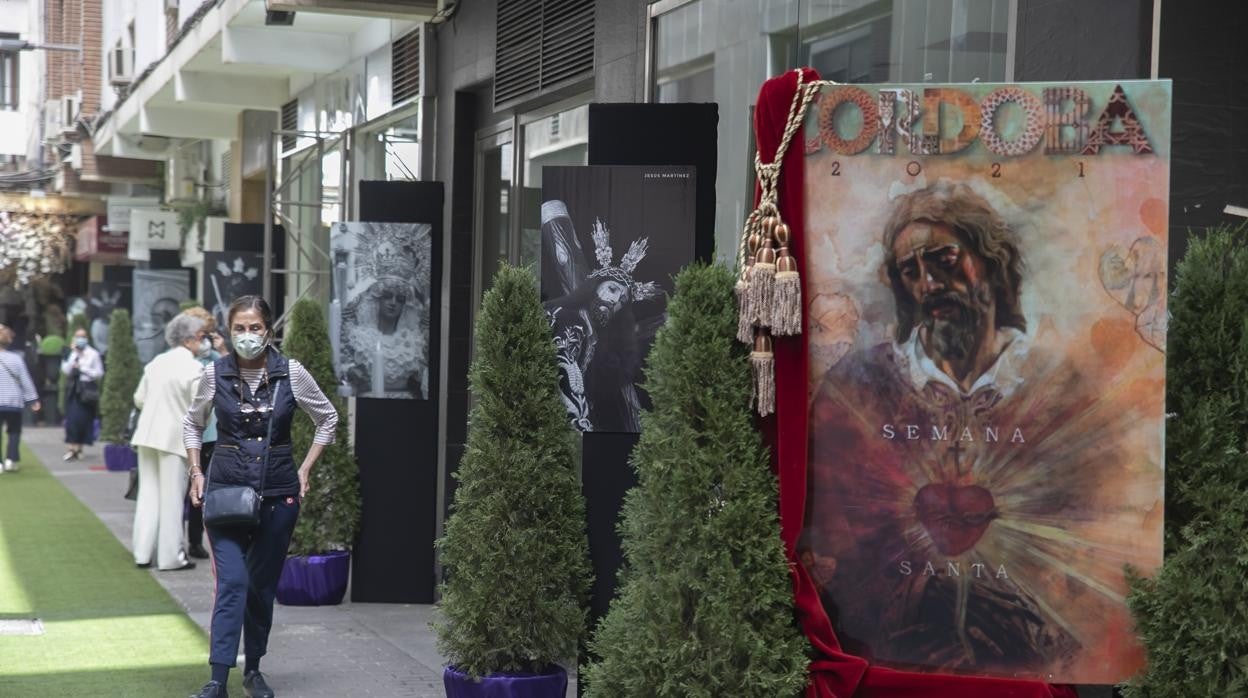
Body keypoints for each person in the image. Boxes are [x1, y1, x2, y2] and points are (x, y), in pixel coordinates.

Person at [802, 182, 1082, 675]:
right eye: (910, 271)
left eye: (945, 259)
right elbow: (832, 539)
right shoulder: (856, 389)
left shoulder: (1058, 389)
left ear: (991, 259)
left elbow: (1083, 539)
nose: (928, 282)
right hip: (885, 661)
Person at [185, 295, 338, 698]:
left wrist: (305, 469)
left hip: (278, 494)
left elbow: (328, 418)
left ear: (269, 331)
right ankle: (218, 677)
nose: (247, 336)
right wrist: (196, 471)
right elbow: (192, 422)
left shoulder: (292, 372)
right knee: (233, 581)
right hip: (226, 492)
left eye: (255, 328)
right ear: (228, 331)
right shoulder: (214, 374)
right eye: (239, 328)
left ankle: (253, 670)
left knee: (260, 587)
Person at [543, 217, 662, 432]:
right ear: (594, 287)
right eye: (612, 289)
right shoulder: (570, 319)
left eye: (623, 301)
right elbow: (564, 378)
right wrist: (583, 429)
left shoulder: (593, 337)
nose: (616, 300)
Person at [130, 312, 210, 572]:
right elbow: (202, 407)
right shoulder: (194, 368)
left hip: (146, 435)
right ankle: (170, 557)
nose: (203, 342)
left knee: (148, 494)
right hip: (175, 438)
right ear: (189, 340)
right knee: (173, 499)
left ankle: (142, 553)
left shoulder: (156, 362)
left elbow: (139, 398)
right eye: (200, 337)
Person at [338, 237, 429, 398]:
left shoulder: (413, 342)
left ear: (405, 306)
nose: (393, 303)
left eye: (400, 299)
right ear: (377, 299)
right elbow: (343, 370)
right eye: (387, 296)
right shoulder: (359, 338)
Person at [182, 306, 227, 560]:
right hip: (187, 436)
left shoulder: (215, 360)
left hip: (211, 434)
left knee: (202, 490)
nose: (205, 340)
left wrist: (222, 351)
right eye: (201, 335)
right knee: (182, 490)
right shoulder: (181, 359)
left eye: (208, 334)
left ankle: (196, 541)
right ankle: (176, 540)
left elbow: (234, 378)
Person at [0, 324, 41, 472]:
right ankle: (11, 459)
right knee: (14, 431)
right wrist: (33, 400)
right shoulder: (16, 358)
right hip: (13, 402)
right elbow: (25, 381)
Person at [60, 328, 103, 461]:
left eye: (83, 336)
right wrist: (74, 354)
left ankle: (79, 448)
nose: (80, 339)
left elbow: (99, 373)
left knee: (83, 419)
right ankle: (72, 448)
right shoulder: (71, 352)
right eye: (78, 336)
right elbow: (66, 370)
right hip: (73, 388)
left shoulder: (93, 354)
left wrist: (83, 369)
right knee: (72, 419)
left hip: (86, 390)